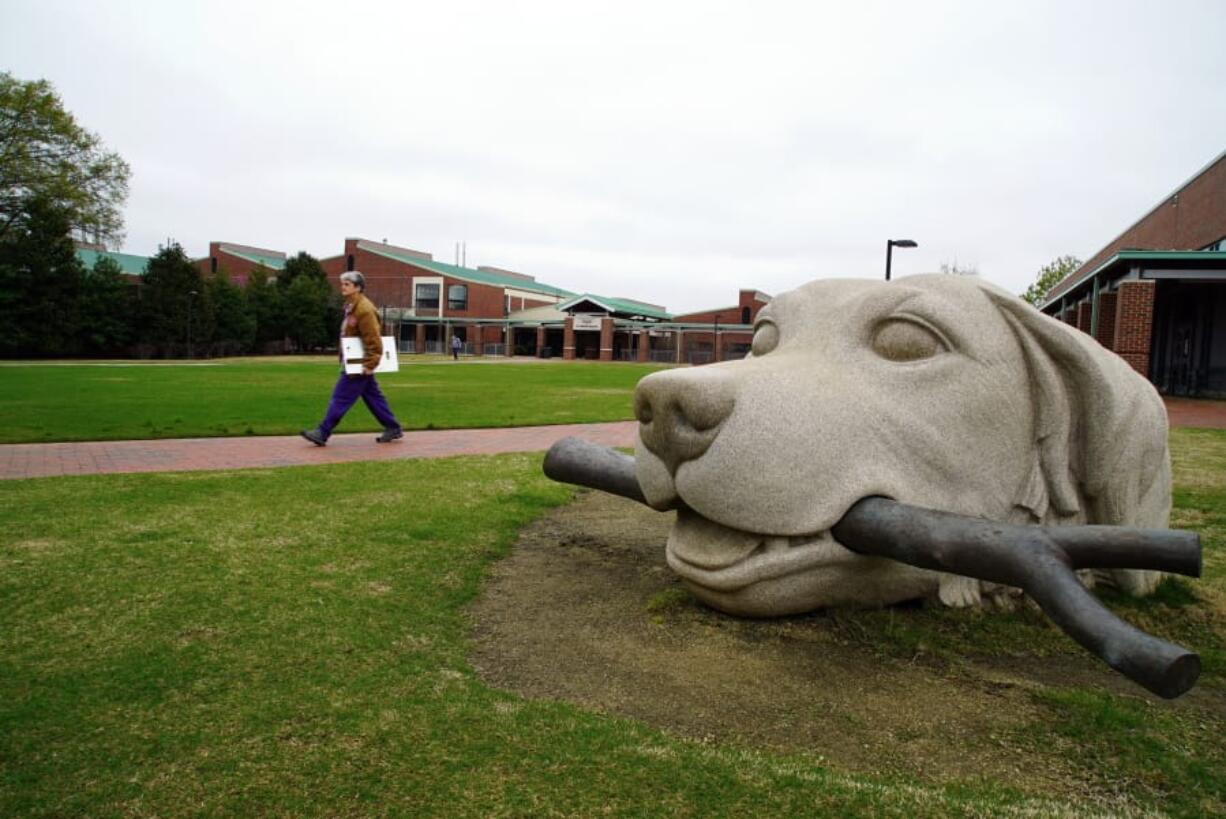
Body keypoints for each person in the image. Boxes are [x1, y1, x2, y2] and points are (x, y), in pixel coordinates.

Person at [300, 271, 403, 446]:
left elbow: (373, 339)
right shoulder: (351, 306)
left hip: (359, 364)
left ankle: (322, 432)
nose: (343, 286)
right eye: (343, 283)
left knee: (340, 398)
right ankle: (392, 427)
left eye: (347, 284)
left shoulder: (364, 309)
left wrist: (370, 363)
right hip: (354, 362)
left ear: (358, 287)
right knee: (373, 397)